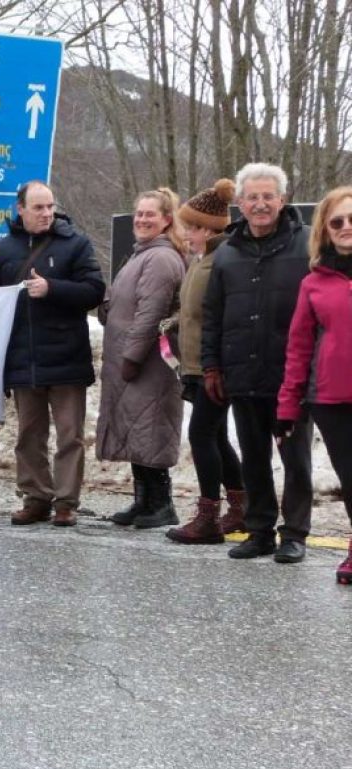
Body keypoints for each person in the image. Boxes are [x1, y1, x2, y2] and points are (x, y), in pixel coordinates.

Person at [202, 162, 313, 562]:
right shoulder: (227, 252)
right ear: (241, 203)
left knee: (295, 459)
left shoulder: (307, 245)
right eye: (253, 197)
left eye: (268, 196)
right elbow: (213, 314)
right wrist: (211, 366)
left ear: (282, 200)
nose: (261, 204)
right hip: (242, 372)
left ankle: (295, 533)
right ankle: (260, 529)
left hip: (292, 376)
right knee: (253, 458)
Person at [0, 180, 106, 528]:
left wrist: (52, 288)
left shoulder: (76, 244)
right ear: (20, 209)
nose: (46, 213)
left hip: (67, 356)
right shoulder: (1, 251)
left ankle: (66, 502)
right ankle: (36, 497)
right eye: (38, 207)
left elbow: (94, 291)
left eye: (50, 206)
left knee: (70, 435)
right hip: (23, 358)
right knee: (29, 435)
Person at [96, 187, 188, 528]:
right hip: (133, 360)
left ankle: (161, 504)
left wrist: (132, 356)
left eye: (150, 214)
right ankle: (143, 501)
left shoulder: (160, 258)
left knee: (151, 429)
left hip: (148, 362)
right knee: (138, 429)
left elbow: (151, 313)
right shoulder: (143, 254)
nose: (142, 220)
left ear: (166, 220)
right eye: (139, 213)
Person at [277, 185, 352, 584]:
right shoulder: (314, 283)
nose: (346, 227)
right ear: (325, 229)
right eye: (337, 221)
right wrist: (288, 406)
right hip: (332, 399)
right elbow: (299, 347)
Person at [165, 179, 245, 544]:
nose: (186, 234)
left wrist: (217, 364)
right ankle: (240, 506)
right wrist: (173, 325)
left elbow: (222, 316)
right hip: (197, 364)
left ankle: (209, 516)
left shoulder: (220, 262)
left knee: (201, 434)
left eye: (191, 228)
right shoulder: (202, 261)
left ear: (207, 229)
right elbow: (195, 312)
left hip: (213, 367)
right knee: (215, 435)